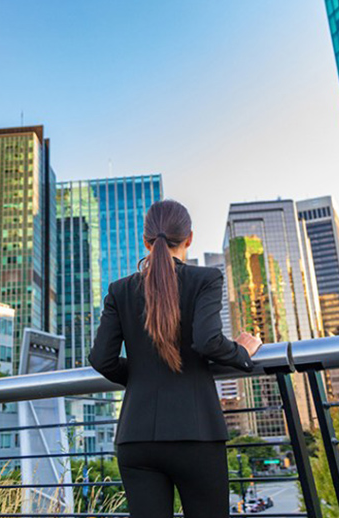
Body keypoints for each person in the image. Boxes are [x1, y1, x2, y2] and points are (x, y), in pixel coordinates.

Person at [89, 199, 263, 517]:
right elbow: (208, 341)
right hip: (195, 434)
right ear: (189, 239)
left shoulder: (119, 290)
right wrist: (242, 352)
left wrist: (143, 375)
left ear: (145, 240)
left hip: (136, 438)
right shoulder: (205, 279)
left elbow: (102, 359)